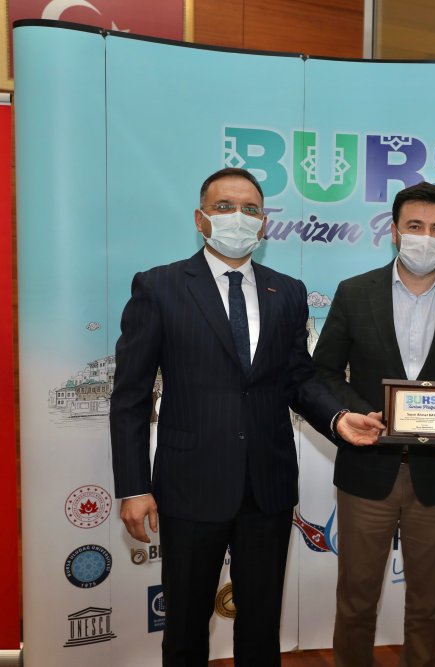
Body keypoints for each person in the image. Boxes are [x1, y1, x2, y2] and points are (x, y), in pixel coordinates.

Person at [109, 167, 384, 666]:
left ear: (264, 224)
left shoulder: (288, 291)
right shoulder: (160, 286)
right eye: (224, 207)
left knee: (260, 626)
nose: (238, 216)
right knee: (185, 628)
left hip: (267, 487)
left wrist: (338, 417)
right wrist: (132, 486)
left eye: (250, 209)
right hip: (190, 486)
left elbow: (297, 379)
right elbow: (130, 395)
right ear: (200, 219)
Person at [312, 181, 435, 667]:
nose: (426, 237)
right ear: (395, 231)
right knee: (356, 599)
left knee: (428, 602)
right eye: (415, 226)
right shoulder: (355, 292)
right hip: (367, 468)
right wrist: (358, 412)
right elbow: (324, 372)